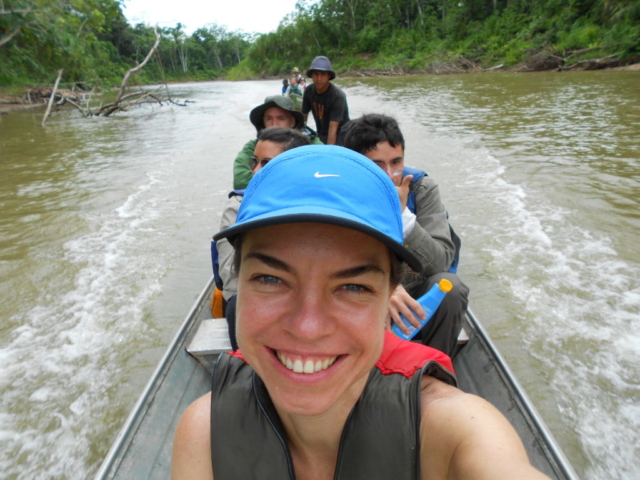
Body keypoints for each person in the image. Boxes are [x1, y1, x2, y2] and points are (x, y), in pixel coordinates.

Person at [171, 145, 552, 480]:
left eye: (353, 287)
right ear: (240, 281)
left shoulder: (451, 431)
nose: (308, 327)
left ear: (391, 295)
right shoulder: (205, 431)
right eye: (271, 279)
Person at [343, 114, 469, 357]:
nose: (390, 175)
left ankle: (433, 371)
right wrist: (384, 288)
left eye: (396, 162)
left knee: (451, 288)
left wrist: (402, 215)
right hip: (353, 288)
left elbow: (440, 263)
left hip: (412, 285)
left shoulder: (422, 188)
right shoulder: (340, 192)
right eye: (377, 165)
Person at [217, 127, 311, 350]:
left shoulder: (315, 207)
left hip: (304, 297)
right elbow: (231, 279)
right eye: (255, 162)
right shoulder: (238, 209)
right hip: (258, 298)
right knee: (237, 305)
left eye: (267, 163)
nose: (256, 171)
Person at [233, 95, 322, 190]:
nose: (274, 124)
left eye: (281, 118)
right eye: (269, 119)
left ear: (292, 122)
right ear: (263, 121)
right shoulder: (253, 146)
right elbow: (240, 182)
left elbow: (324, 175)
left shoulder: (311, 144)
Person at [301, 55, 350, 145]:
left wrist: (328, 152)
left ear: (328, 76)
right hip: (322, 133)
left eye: (323, 74)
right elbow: (303, 117)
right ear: (311, 75)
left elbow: (333, 129)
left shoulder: (337, 96)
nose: (319, 78)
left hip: (341, 135)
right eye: (316, 74)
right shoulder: (309, 91)